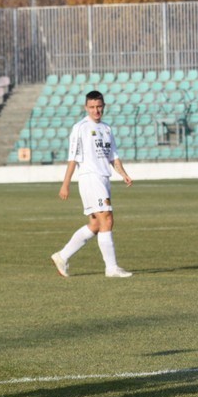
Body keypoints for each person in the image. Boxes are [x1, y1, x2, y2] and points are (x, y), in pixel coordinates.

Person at [51, 90, 133, 278]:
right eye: (92, 107)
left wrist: (124, 174)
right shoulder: (80, 128)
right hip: (90, 178)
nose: (96, 111)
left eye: (99, 107)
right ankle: (111, 268)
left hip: (104, 178)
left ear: (103, 106)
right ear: (86, 108)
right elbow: (73, 158)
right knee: (108, 219)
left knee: (96, 225)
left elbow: (113, 156)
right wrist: (66, 184)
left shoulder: (106, 128)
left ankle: (62, 256)